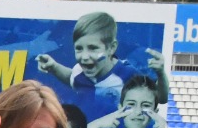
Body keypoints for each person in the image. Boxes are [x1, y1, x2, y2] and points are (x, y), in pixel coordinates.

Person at [34, 10, 169, 118]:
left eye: (93, 48)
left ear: (111, 48)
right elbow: (72, 78)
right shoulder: (80, 71)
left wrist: (161, 74)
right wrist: (54, 67)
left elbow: (160, 98)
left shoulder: (128, 75)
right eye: (79, 49)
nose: (84, 57)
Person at [82, 75, 168, 128]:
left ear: (155, 112)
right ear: (120, 108)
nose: (138, 112)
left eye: (146, 105)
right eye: (131, 104)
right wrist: (99, 123)